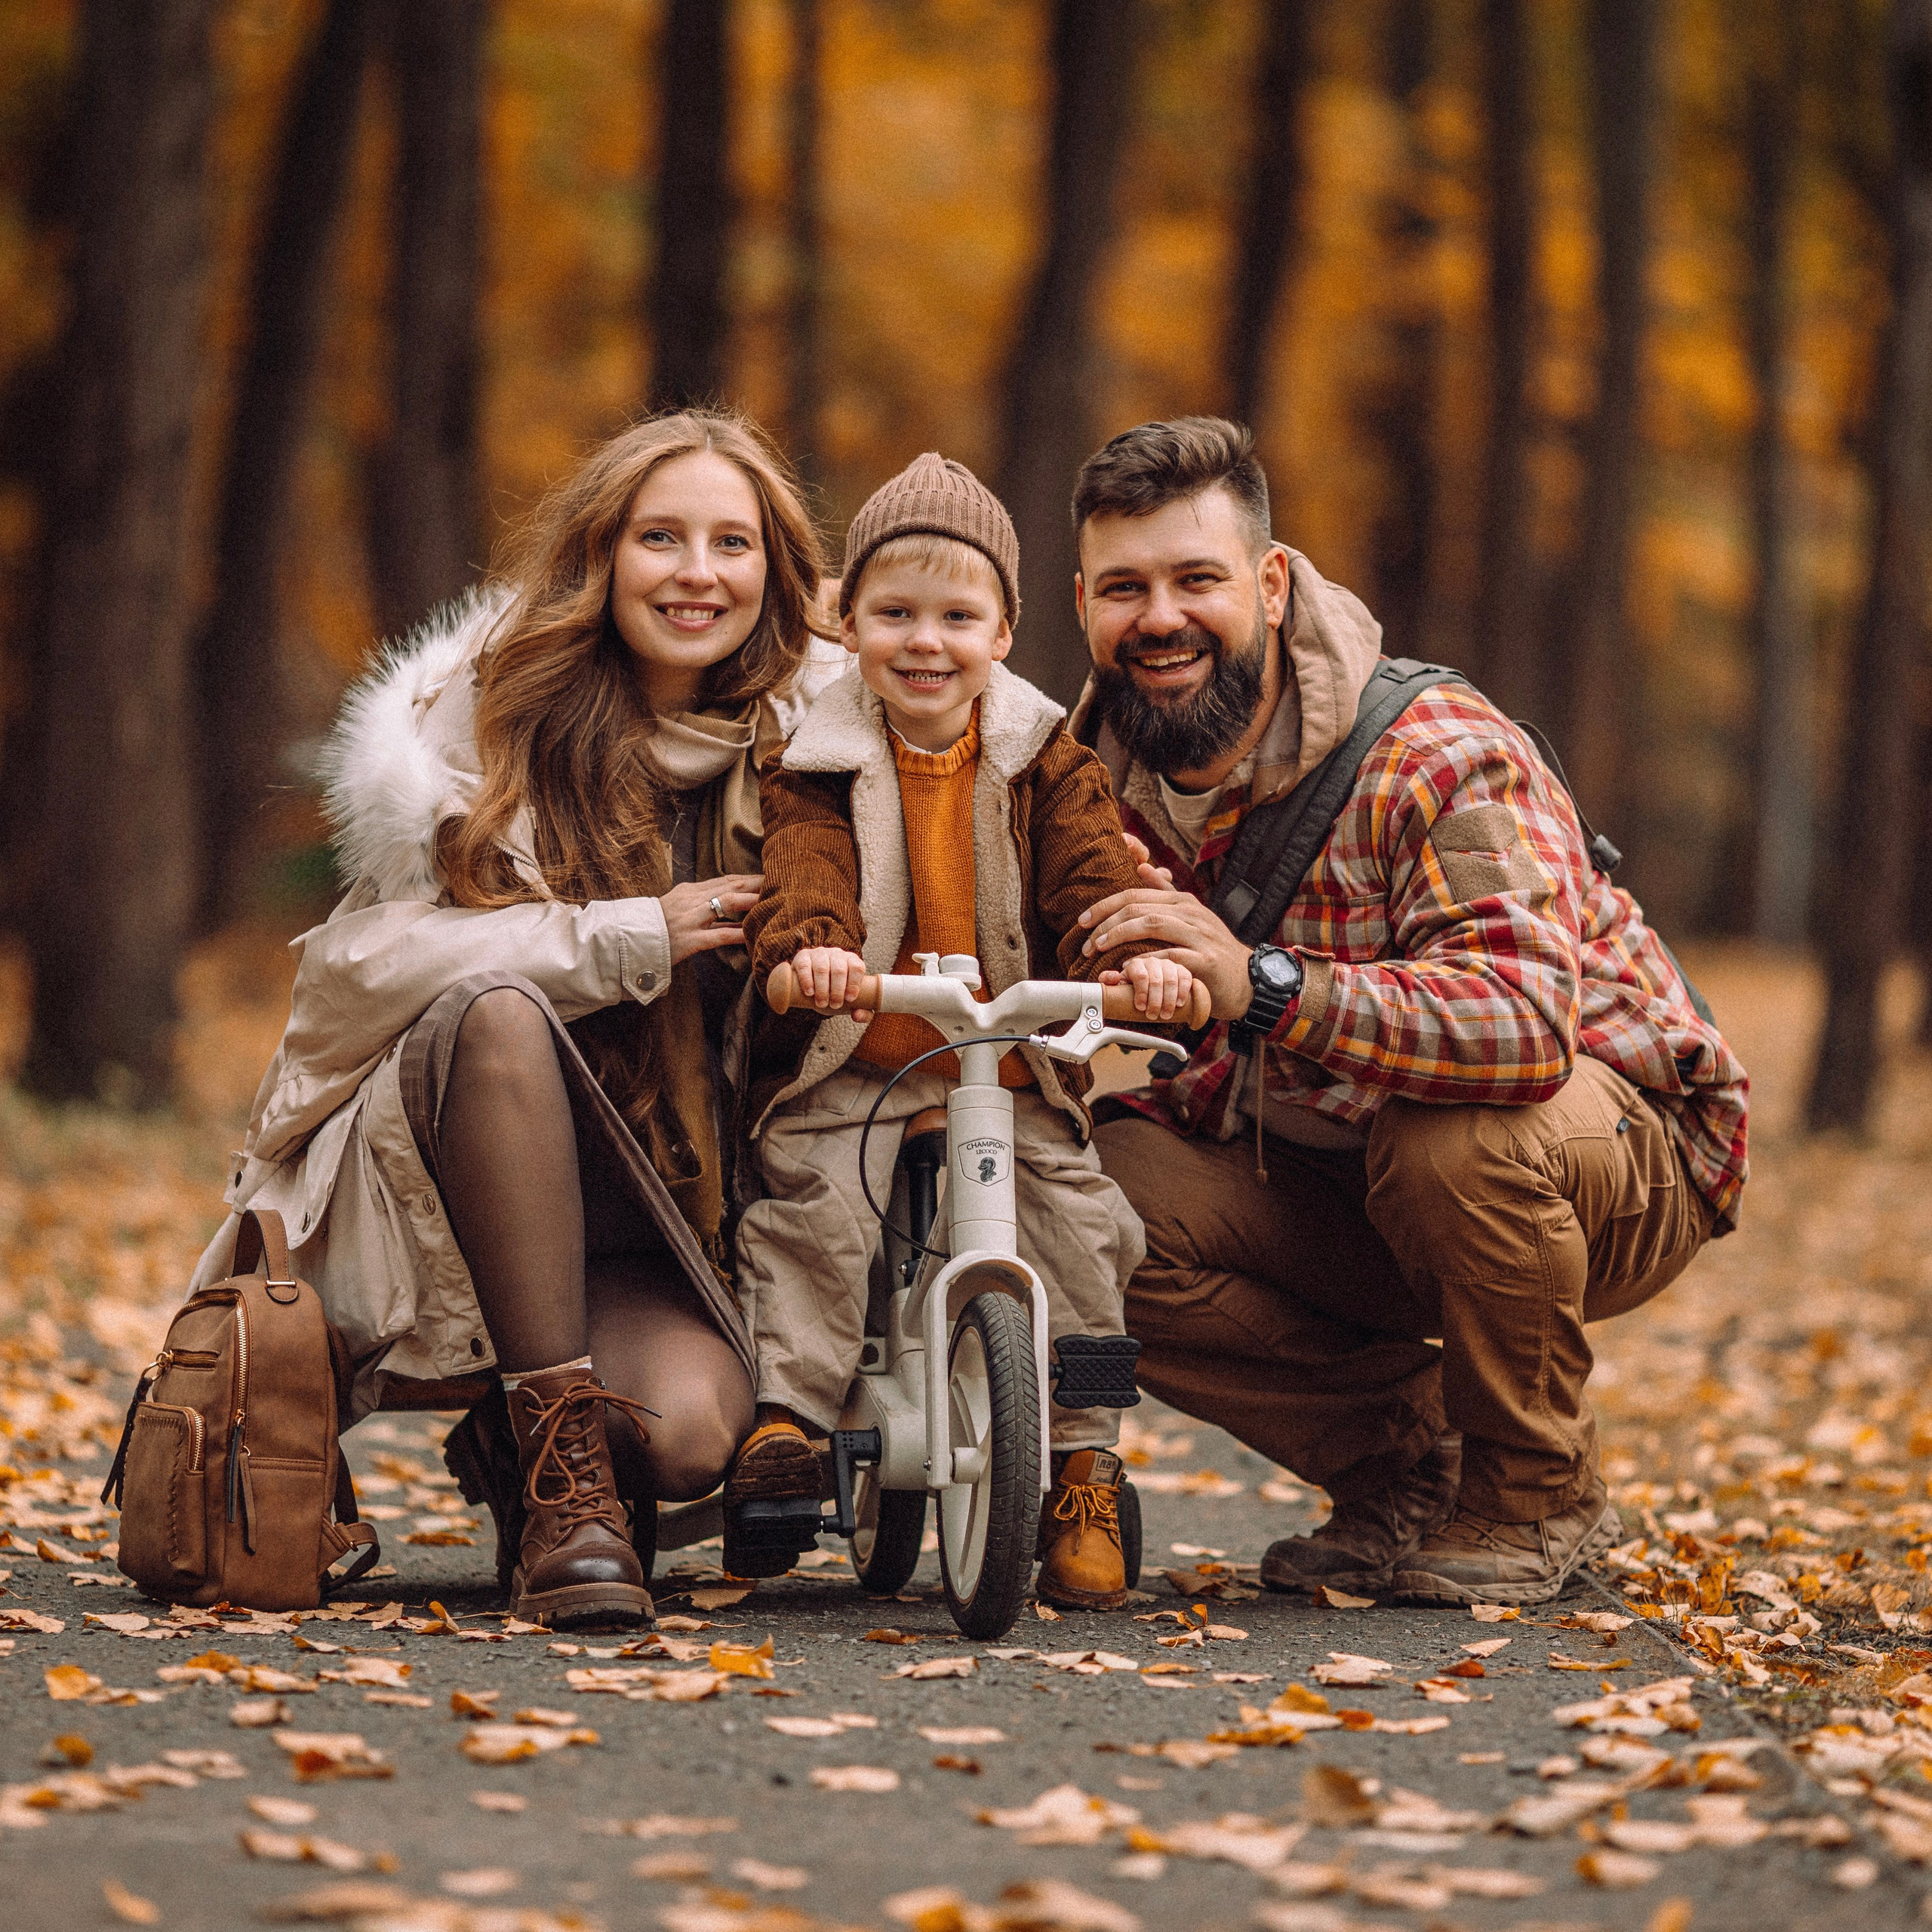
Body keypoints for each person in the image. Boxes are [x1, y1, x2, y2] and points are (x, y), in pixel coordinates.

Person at [1066, 417, 1749, 1607]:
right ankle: (1412, 1470)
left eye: (1196, 579)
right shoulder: (1076, 782)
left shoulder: (1433, 753)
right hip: (1338, 1172)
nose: (1159, 618)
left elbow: (1523, 1028)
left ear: (1271, 585)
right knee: (1090, 1205)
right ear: (1081, 603)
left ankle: (1537, 1491)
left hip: (1615, 1154)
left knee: (1453, 1132)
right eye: (1125, 587)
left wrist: (1257, 984)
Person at [191, 409, 842, 1628]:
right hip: (455, 1164)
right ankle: (566, 1499)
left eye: (732, 544)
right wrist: (632, 935)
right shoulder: (490, 716)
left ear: (777, 569)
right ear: (602, 554)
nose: (699, 574)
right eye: (662, 537)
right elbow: (361, 970)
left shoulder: (813, 738)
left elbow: (972, 667)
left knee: (697, 1441)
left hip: (656, 1210)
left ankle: (519, 1437)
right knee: (495, 1010)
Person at [731, 454, 1193, 1611]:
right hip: (865, 1055)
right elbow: (805, 870)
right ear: (848, 621)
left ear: (1004, 630)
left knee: (1084, 1221)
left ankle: (1082, 1454)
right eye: (894, 614)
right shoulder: (815, 758)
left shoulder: (1047, 759)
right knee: (814, 1204)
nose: (924, 642)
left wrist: (1131, 963)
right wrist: (812, 952)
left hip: (1004, 1057)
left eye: (956, 616)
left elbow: (1089, 884)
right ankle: (786, 1420)